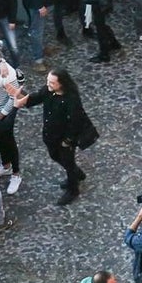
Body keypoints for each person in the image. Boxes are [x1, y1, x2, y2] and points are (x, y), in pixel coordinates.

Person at [14, 68, 98, 206]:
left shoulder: (71, 99)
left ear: (62, 84)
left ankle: (73, 189)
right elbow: (37, 97)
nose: (48, 84)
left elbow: (75, 122)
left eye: (52, 82)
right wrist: (22, 101)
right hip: (50, 134)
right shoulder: (49, 90)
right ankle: (77, 173)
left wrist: (68, 140)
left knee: (68, 162)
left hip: (64, 138)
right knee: (55, 156)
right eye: (48, 81)